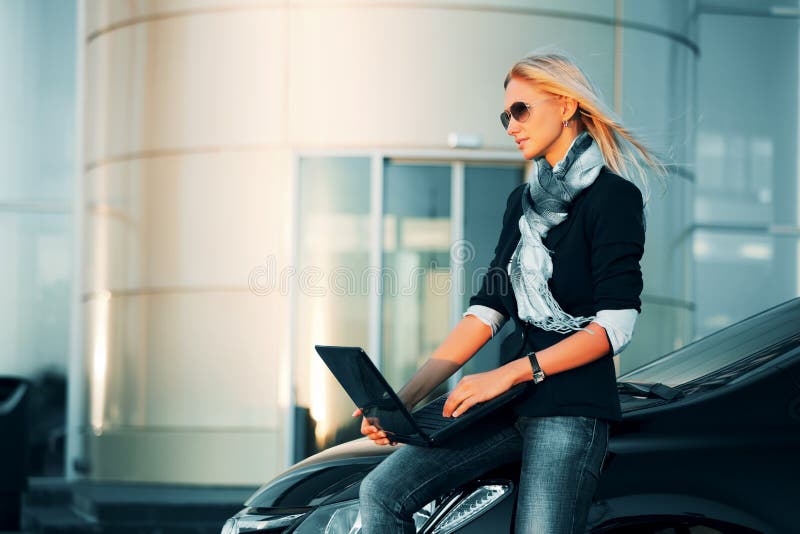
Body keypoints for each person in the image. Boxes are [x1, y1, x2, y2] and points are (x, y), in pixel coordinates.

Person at [352, 49, 664, 533]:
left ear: (565, 106)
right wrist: (405, 399)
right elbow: (488, 309)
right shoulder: (521, 203)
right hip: (510, 404)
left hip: (571, 409)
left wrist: (510, 374)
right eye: (505, 115)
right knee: (381, 493)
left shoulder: (614, 198)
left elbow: (615, 329)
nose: (511, 124)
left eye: (521, 110)